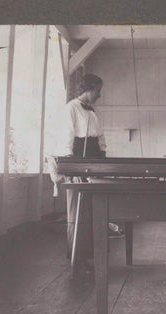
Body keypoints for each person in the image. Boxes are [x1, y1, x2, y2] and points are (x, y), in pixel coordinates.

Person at [50, 74, 123, 278]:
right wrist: (72, 170)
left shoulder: (92, 112)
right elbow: (67, 141)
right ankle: (77, 260)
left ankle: (88, 259)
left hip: (94, 164)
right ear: (88, 89)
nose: (99, 95)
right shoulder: (71, 109)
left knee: (92, 213)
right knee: (77, 215)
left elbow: (100, 140)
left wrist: (102, 164)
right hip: (77, 165)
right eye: (97, 90)